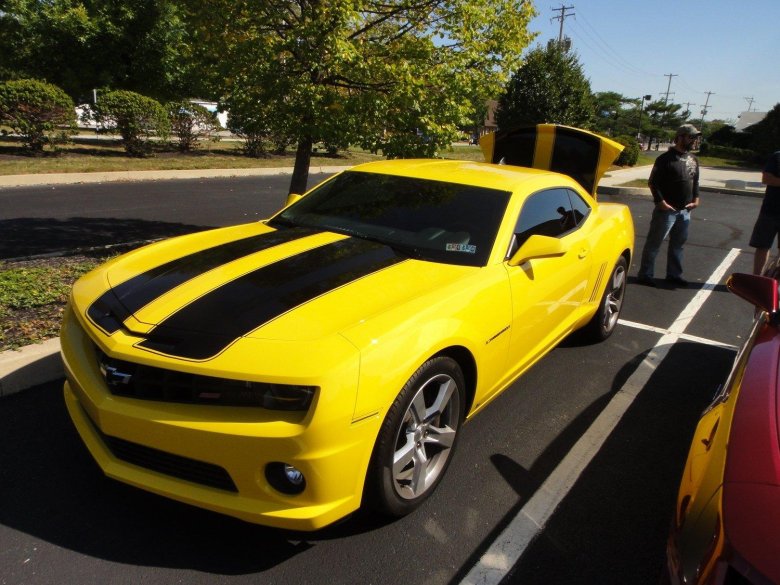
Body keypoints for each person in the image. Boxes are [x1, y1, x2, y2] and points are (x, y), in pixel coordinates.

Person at [637, 123, 701, 287]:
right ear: (680, 137)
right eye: (691, 137)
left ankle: (674, 275)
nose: (694, 140)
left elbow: (695, 181)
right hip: (667, 211)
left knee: (678, 245)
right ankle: (645, 274)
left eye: (695, 137)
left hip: (685, 211)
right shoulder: (665, 159)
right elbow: (653, 183)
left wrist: (696, 199)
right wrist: (661, 202)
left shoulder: (693, 159)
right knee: (654, 243)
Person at [749, 150, 780, 274]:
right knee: (762, 246)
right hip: (770, 211)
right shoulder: (777, 156)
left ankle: (775, 282)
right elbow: (766, 178)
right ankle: (757, 278)